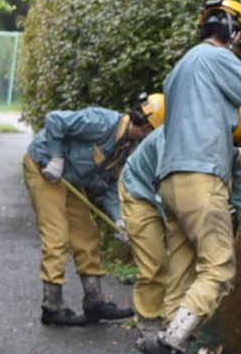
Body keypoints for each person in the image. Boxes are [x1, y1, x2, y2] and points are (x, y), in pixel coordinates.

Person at [145, 0, 241, 354]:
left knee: (184, 270)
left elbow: (196, 127)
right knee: (219, 267)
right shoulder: (215, 57)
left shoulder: (181, 69)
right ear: (232, 30)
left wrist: (239, 154)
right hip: (200, 180)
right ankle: (171, 344)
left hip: (171, 181)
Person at [120, 106, 241, 354]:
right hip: (141, 191)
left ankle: (172, 350)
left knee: (184, 272)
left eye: (237, 142)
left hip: (178, 201)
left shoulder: (226, 147)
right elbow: (167, 188)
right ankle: (150, 335)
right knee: (155, 264)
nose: (233, 146)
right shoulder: (176, 138)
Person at [22, 95, 155, 325]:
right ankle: (52, 306)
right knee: (57, 236)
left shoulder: (126, 148)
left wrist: (119, 220)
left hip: (69, 178)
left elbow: (111, 185)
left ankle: (94, 302)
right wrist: (56, 157)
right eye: (152, 132)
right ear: (144, 126)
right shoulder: (101, 121)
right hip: (44, 168)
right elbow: (55, 119)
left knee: (87, 235)